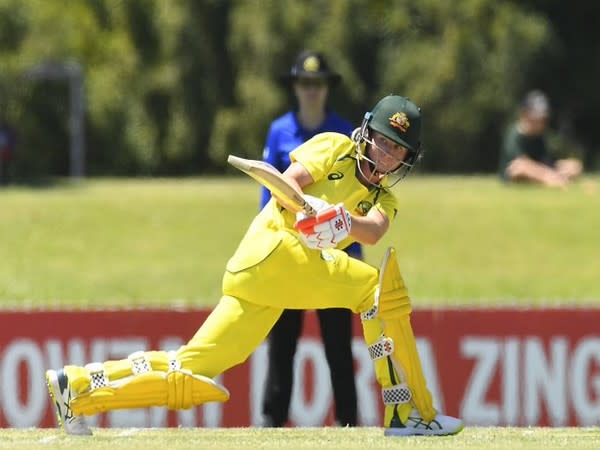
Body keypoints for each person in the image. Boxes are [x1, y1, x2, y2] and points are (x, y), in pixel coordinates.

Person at [44, 94, 465, 437]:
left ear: (407, 159)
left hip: (266, 279)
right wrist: (311, 212)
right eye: (383, 140)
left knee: (194, 366)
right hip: (274, 250)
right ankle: (407, 412)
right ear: (367, 130)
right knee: (375, 289)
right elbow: (288, 184)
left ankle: (78, 387)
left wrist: (340, 221)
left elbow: (371, 233)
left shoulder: (385, 200)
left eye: (397, 149)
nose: (386, 153)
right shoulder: (335, 147)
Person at [260, 50, 358, 427]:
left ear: (327, 88)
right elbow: (268, 195)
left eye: (317, 84)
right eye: (305, 83)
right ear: (295, 87)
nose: (312, 91)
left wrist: (354, 252)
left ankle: (349, 422)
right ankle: (272, 422)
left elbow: (356, 195)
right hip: (290, 253)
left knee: (338, 346)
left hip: (334, 254)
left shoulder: (344, 133)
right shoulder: (279, 131)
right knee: (282, 344)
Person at [499, 90, 583, 188]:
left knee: (574, 166)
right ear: (525, 115)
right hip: (517, 174)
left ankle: (554, 179)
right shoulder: (515, 134)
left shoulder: (541, 136)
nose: (540, 123)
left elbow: (546, 161)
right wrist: (547, 176)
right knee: (521, 168)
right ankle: (551, 180)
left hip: (540, 170)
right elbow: (519, 164)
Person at [0, 114, 16, 185]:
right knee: (3, 166)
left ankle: (8, 180)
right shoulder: (3, 132)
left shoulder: (7, 133)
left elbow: (11, 143)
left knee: (8, 166)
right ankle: (3, 180)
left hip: (7, 150)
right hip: (2, 151)